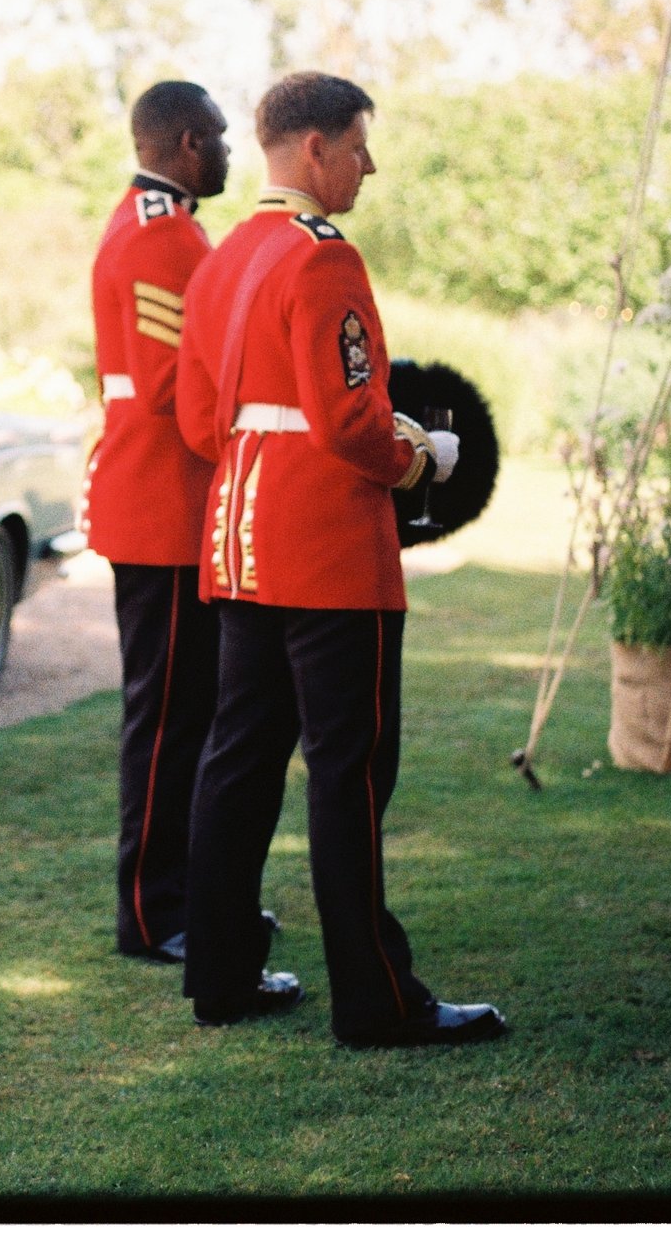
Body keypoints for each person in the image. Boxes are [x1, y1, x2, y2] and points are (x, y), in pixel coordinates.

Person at [172, 70, 505, 1048]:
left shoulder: (222, 258)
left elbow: (200, 424)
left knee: (235, 765)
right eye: (359, 145)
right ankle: (374, 1000)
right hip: (325, 555)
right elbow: (350, 422)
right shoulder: (322, 259)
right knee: (347, 777)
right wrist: (420, 457)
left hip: (239, 547)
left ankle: (220, 975)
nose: (368, 164)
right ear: (313, 150)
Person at [87, 81, 235, 965]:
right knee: (171, 722)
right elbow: (176, 388)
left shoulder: (159, 222)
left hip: (166, 506)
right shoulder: (162, 235)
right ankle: (152, 913)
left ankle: (191, 898)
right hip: (164, 511)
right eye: (218, 137)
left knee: (193, 719)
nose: (227, 152)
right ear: (186, 143)